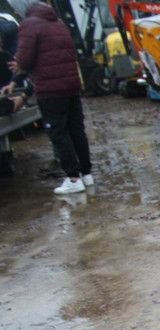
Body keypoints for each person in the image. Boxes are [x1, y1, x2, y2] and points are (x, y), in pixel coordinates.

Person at [6, 1, 92, 194]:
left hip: (51, 89)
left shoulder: (29, 24)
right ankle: (87, 174)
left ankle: (73, 178)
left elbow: (26, 59)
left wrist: (19, 68)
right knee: (76, 130)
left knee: (58, 133)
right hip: (70, 85)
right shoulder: (58, 22)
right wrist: (16, 79)